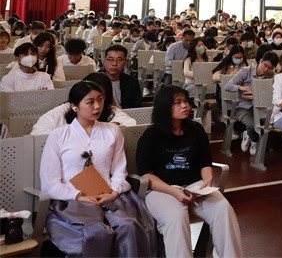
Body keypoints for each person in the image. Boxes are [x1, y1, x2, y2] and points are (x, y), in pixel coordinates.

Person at [40, 80, 156, 256]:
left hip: (109, 194)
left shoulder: (112, 131)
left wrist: (114, 192)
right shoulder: (58, 136)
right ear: (74, 106)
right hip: (72, 199)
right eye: (90, 102)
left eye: (100, 100)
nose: (97, 106)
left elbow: (119, 170)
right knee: (95, 231)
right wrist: (78, 196)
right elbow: (50, 181)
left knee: (128, 225)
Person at [138, 85, 243, 256]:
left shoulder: (195, 129)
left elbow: (204, 162)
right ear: (165, 106)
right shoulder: (151, 135)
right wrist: (174, 191)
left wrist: (207, 180)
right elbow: (146, 175)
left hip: (194, 186)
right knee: (176, 217)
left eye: (186, 101)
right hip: (161, 190)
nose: (184, 106)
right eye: (177, 102)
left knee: (223, 209)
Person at [32, 72, 137, 135]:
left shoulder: (108, 109)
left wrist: (108, 127)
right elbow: (38, 131)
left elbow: (129, 122)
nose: (97, 106)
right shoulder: (66, 108)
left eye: (101, 98)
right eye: (90, 101)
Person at [225, 52, 277, 156]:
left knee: (271, 124)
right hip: (244, 106)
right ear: (260, 61)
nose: (266, 69)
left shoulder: (271, 75)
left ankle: (253, 137)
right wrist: (242, 88)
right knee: (252, 125)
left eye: (270, 68)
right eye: (265, 65)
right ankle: (253, 140)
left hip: (261, 107)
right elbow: (228, 86)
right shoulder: (246, 71)